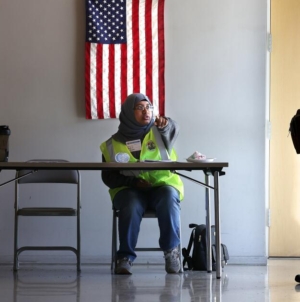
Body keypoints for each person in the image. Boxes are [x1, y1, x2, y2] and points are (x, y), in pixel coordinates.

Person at [100, 93, 184, 274]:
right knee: (130, 204)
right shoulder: (111, 144)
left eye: (149, 107)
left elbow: (174, 128)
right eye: (140, 108)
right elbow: (108, 177)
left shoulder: (161, 131)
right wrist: (132, 182)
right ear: (128, 113)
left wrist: (166, 123)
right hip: (130, 189)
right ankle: (125, 257)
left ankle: (172, 253)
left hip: (162, 186)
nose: (146, 111)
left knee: (169, 197)